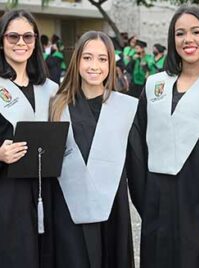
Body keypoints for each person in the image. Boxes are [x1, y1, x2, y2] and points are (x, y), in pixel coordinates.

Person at [126, 5, 199, 268]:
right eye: (180, 33)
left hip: (198, 201)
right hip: (156, 200)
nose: (188, 40)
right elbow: (137, 143)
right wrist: (144, 196)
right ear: (171, 39)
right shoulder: (155, 84)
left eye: (196, 32)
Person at [50, 31, 137, 268]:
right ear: (76, 61)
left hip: (112, 209)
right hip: (68, 209)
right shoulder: (57, 106)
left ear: (111, 63)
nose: (94, 66)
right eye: (87, 58)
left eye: (102, 59)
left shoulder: (126, 108)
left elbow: (138, 167)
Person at [0, 9, 58, 267]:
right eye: (13, 37)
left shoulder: (51, 89)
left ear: (36, 42)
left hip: (45, 189)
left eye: (28, 37)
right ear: (1, 41)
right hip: (7, 192)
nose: (20, 43)